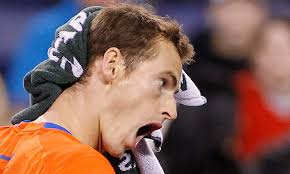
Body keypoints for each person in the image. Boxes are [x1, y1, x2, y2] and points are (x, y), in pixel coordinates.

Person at [0, 3, 197, 174]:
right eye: (162, 82)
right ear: (112, 65)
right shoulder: (77, 164)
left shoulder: (6, 144)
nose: (171, 112)